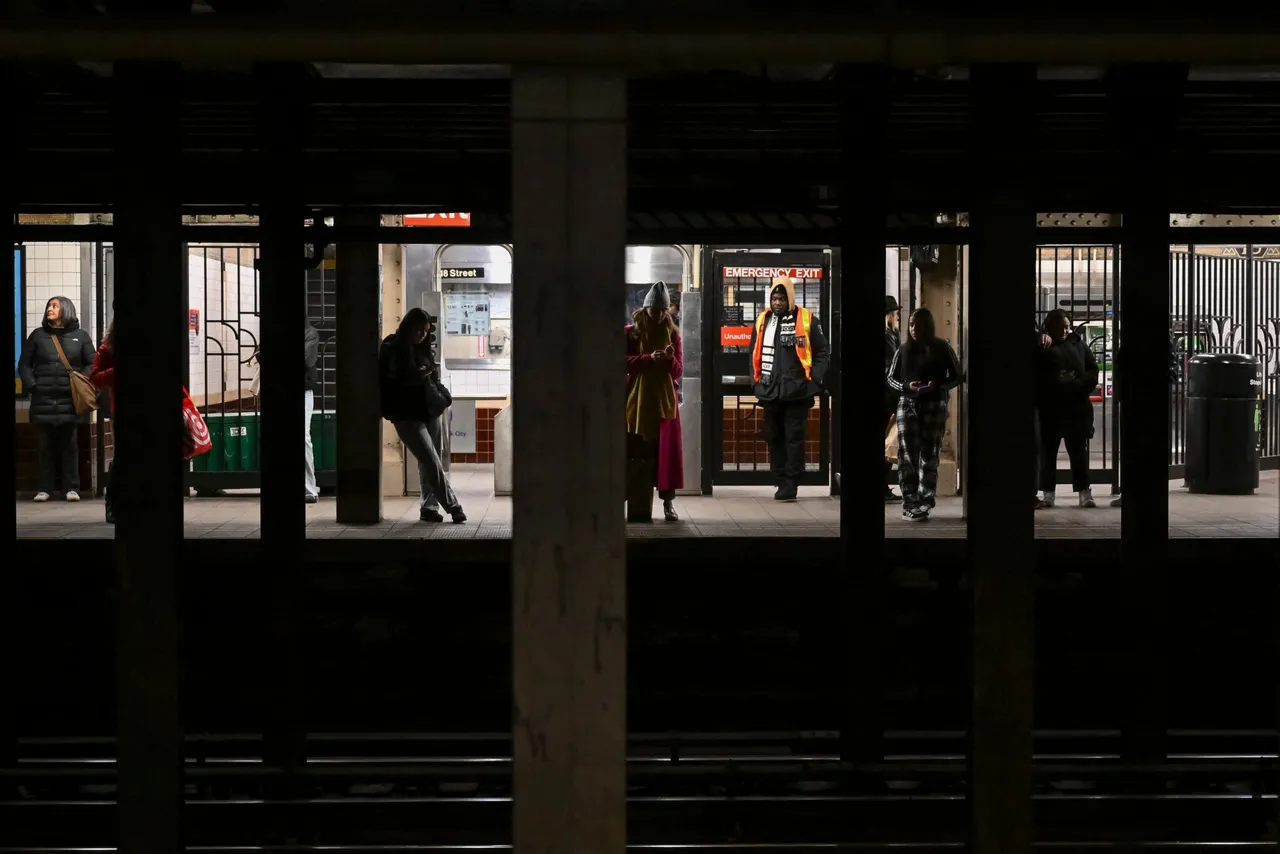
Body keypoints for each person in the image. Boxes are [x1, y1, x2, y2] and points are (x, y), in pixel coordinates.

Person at [747, 275, 831, 502]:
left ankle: (790, 484)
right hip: (770, 391)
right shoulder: (762, 320)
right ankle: (779, 478)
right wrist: (755, 382)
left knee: (794, 439)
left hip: (797, 393)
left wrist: (814, 381)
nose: (777, 303)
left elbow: (823, 352)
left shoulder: (807, 319)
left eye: (782, 298)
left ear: (790, 298)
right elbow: (753, 352)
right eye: (774, 298)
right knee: (774, 437)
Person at [379, 308, 466, 524]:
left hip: (429, 410)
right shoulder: (391, 348)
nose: (422, 335)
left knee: (430, 461)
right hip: (406, 414)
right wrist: (418, 376)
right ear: (408, 327)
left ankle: (429, 507)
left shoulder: (424, 350)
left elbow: (434, 379)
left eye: (426, 332)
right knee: (430, 460)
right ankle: (453, 505)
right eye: (419, 330)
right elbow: (394, 381)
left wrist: (444, 397)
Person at [886, 307, 963, 521]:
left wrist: (938, 386)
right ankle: (910, 502)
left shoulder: (942, 347)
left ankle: (925, 502)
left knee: (930, 456)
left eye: (918, 325)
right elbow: (890, 378)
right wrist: (906, 386)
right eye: (911, 324)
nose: (913, 329)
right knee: (907, 457)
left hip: (934, 405)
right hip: (908, 404)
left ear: (928, 327)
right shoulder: (903, 349)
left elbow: (957, 376)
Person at [19, 295, 96, 503]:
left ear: (66, 310)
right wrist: (34, 386)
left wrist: (81, 381)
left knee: (70, 445)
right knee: (45, 447)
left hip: (70, 401)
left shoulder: (80, 336)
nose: (50, 309)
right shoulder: (37, 336)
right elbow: (24, 364)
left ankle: (72, 488)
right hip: (43, 400)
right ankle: (44, 489)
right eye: (49, 306)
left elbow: (92, 363)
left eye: (55, 306)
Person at [625, 280, 684, 522]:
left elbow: (678, 370)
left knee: (665, 454)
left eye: (664, 310)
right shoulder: (631, 332)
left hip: (664, 404)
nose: (661, 315)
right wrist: (649, 358)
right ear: (646, 308)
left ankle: (668, 503)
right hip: (636, 402)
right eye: (656, 310)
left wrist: (668, 360)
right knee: (635, 452)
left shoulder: (672, 334)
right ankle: (631, 498)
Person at [1034, 309, 1099, 509]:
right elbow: (1035, 374)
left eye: (1067, 326)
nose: (1065, 330)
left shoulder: (1078, 344)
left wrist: (1073, 383)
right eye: (1061, 326)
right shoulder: (1043, 345)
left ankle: (1082, 491)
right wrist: (1059, 381)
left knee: (1077, 452)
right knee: (1049, 453)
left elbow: (1093, 370)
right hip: (1054, 409)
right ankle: (1050, 492)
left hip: (1073, 409)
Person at [883, 295, 902, 501]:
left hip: (887, 393)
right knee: (887, 440)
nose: (896, 317)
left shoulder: (890, 334)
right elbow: (892, 368)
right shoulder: (888, 335)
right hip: (888, 395)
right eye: (895, 313)